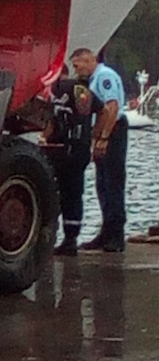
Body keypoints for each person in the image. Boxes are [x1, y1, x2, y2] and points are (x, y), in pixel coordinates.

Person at [70, 48, 129, 252]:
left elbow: (112, 107)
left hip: (113, 130)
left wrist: (104, 138)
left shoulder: (105, 77)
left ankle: (116, 235)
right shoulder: (93, 80)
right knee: (102, 184)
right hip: (103, 131)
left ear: (89, 60)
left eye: (78, 66)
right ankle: (106, 231)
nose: (77, 71)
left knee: (113, 182)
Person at [41, 65, 97, 256]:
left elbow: (50, 121)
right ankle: (66, 238)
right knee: (68, 193)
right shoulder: (65, 91)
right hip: (68, 148)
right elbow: (52, 120)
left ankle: (64, 239)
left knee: (65, 193)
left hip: (68, 148)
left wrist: (98, 138)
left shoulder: (66, 89)